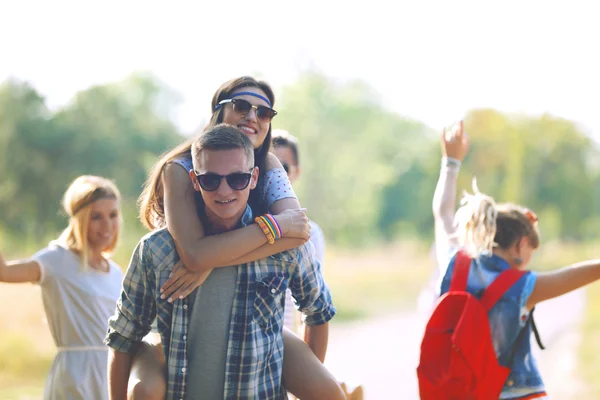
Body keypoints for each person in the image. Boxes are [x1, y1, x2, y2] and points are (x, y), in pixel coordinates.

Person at [127, 76, 346, 400]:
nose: (252, 117)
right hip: (184, 310)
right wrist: (212, 256)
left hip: (254, 308)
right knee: (149, 389)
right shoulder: (181, 167)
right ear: (217, 112)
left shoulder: (268, 162)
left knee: (329, 393)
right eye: (241, 106)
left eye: (264, 112)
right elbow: (193, 255)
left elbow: (299, 232)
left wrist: (213, 261)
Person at [436, 123, 600, 399]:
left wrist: (451, 162)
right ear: (522, 243)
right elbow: (587, 271)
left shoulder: (455, 262)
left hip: (457, 390)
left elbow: (442, 213)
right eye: (529, 254)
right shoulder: (523, 287)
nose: (524, 264)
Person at [0, 175, 124, 400]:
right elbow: (4, 272)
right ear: (80, 219)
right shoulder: (57, 260)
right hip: (76, 376)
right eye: (96, 216)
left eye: (113, 215)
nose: (107, 225)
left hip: (111, 373)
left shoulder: (116, 272)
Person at [271, 129, 326, 331]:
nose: (274, 173)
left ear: (296, 172)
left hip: (285, 347)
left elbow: (311, 307)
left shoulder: (312, 233)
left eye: (282, 167)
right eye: (268, 164)